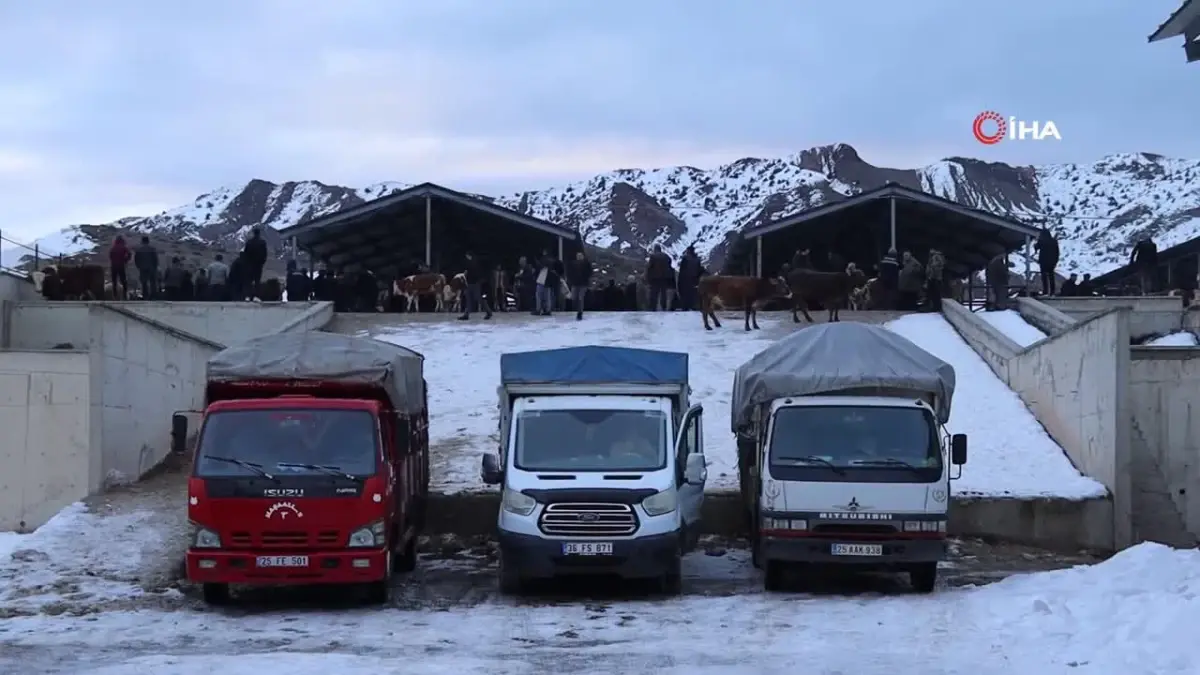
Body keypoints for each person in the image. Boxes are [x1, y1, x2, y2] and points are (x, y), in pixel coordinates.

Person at [458, 251, 492, 320]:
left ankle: (488, 312)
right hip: (474, 283)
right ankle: (467, 314)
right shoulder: (475, 262)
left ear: (468, 256)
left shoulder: (471, 263)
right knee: (472, 299)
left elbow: (468, 273)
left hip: (472, 283)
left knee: (475, 298)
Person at [241, 228, 268, 299]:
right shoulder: (262, 242)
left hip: (250, 264)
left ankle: (247, 296)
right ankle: (256, 296)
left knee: (248, 281)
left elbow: (245, 254)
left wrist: (246, 263)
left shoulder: (249, 242)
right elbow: (265, 254)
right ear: (259, 233)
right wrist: (262, 262)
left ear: (253, 233)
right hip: (258, 265)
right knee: (257, 281)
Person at [566, 251, 593, 320]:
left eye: (580, 255)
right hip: (575, 283)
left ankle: (579, 313)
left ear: (583, 256)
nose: (579, 256)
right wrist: (571, 279)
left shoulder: (586, 263)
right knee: (574, 297)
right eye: (578, 255)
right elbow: (569, 272)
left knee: (581, 298)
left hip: (583, 284)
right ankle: (576, 309)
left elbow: (590, 272)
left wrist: (585, 277)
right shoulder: (573, 263)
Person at [645, 245, 673, 311]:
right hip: (664, 277)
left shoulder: (653, 256)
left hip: (655, 278)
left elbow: (649, 267)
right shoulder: (666, 256)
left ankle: (653, 307)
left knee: (654, 293)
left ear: (655, 249)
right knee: (663, 293)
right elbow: (670, 263)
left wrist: (648, 277)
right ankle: (664, 306)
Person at [1035, 226, 1060, 296]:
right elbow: (1057, 252)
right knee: (1051, 277)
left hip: (1043, 262)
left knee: (1044, 277)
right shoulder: (1054, 241)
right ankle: (1052, 292)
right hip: (1051, 262)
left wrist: (1037, 240)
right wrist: (1055, 261)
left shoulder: (1042, 241)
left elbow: (1036, 247)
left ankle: (1045, 291)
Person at [108, 236, 131, 300]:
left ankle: (115, 296)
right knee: (123, 281)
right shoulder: (124, 247)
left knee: (114, 281)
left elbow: (110, 256)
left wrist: (113, 261)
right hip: (121, 266)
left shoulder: (113, 248)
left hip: (113, 266)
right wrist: (125, 260)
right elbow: (129, 254)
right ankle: (124, 295)